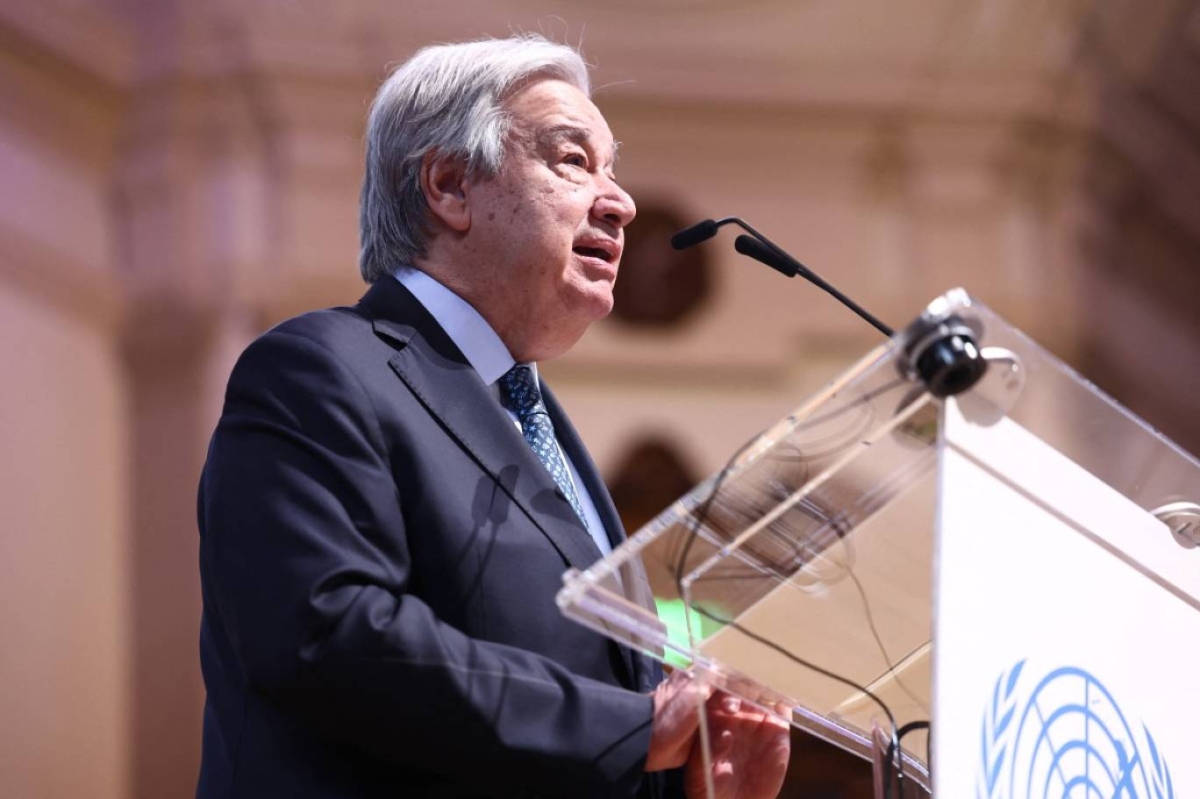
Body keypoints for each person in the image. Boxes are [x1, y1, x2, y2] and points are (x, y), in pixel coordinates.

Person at [196, 34, 790, 799]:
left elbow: (603, 706)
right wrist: (633, 729)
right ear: (450, 186)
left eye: (612, 169)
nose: (622, 202)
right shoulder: (319, 369)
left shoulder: (539, 424)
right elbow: (326, 630)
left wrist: (697, 785)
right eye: (574, 160)